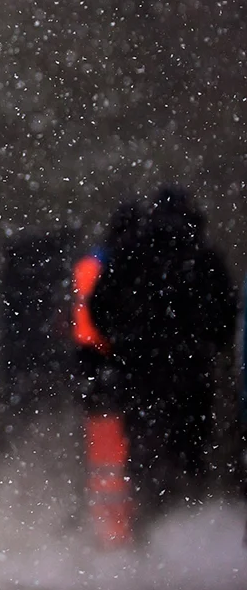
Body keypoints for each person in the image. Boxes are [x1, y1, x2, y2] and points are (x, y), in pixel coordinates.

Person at [90, 186, 238, 522]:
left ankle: (148, 525)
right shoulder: (203, 256)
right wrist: (207, 345)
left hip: (139, 371)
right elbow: (226, 315)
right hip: (191, 373)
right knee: (190, 450)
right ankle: (186, 523)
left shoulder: (129, 252)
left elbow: (99, 306)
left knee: (143, 450)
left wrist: (121, 344)